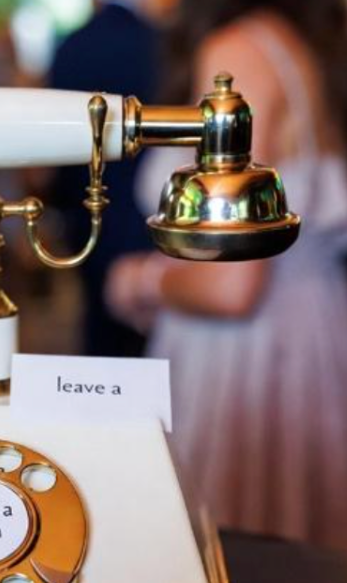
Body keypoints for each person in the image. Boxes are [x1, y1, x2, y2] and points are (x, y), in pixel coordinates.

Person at [105, 0, 347, 548]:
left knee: (228, 558)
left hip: (244, 357)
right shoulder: (302, 44)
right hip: (315, 336)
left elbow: (231, 284)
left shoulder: (237, 52)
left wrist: (139, 281)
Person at [49, 0, 168, 358]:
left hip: (88, 211)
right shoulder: (158, 43)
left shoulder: (72, 46)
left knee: (100, 333)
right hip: (152, 216)